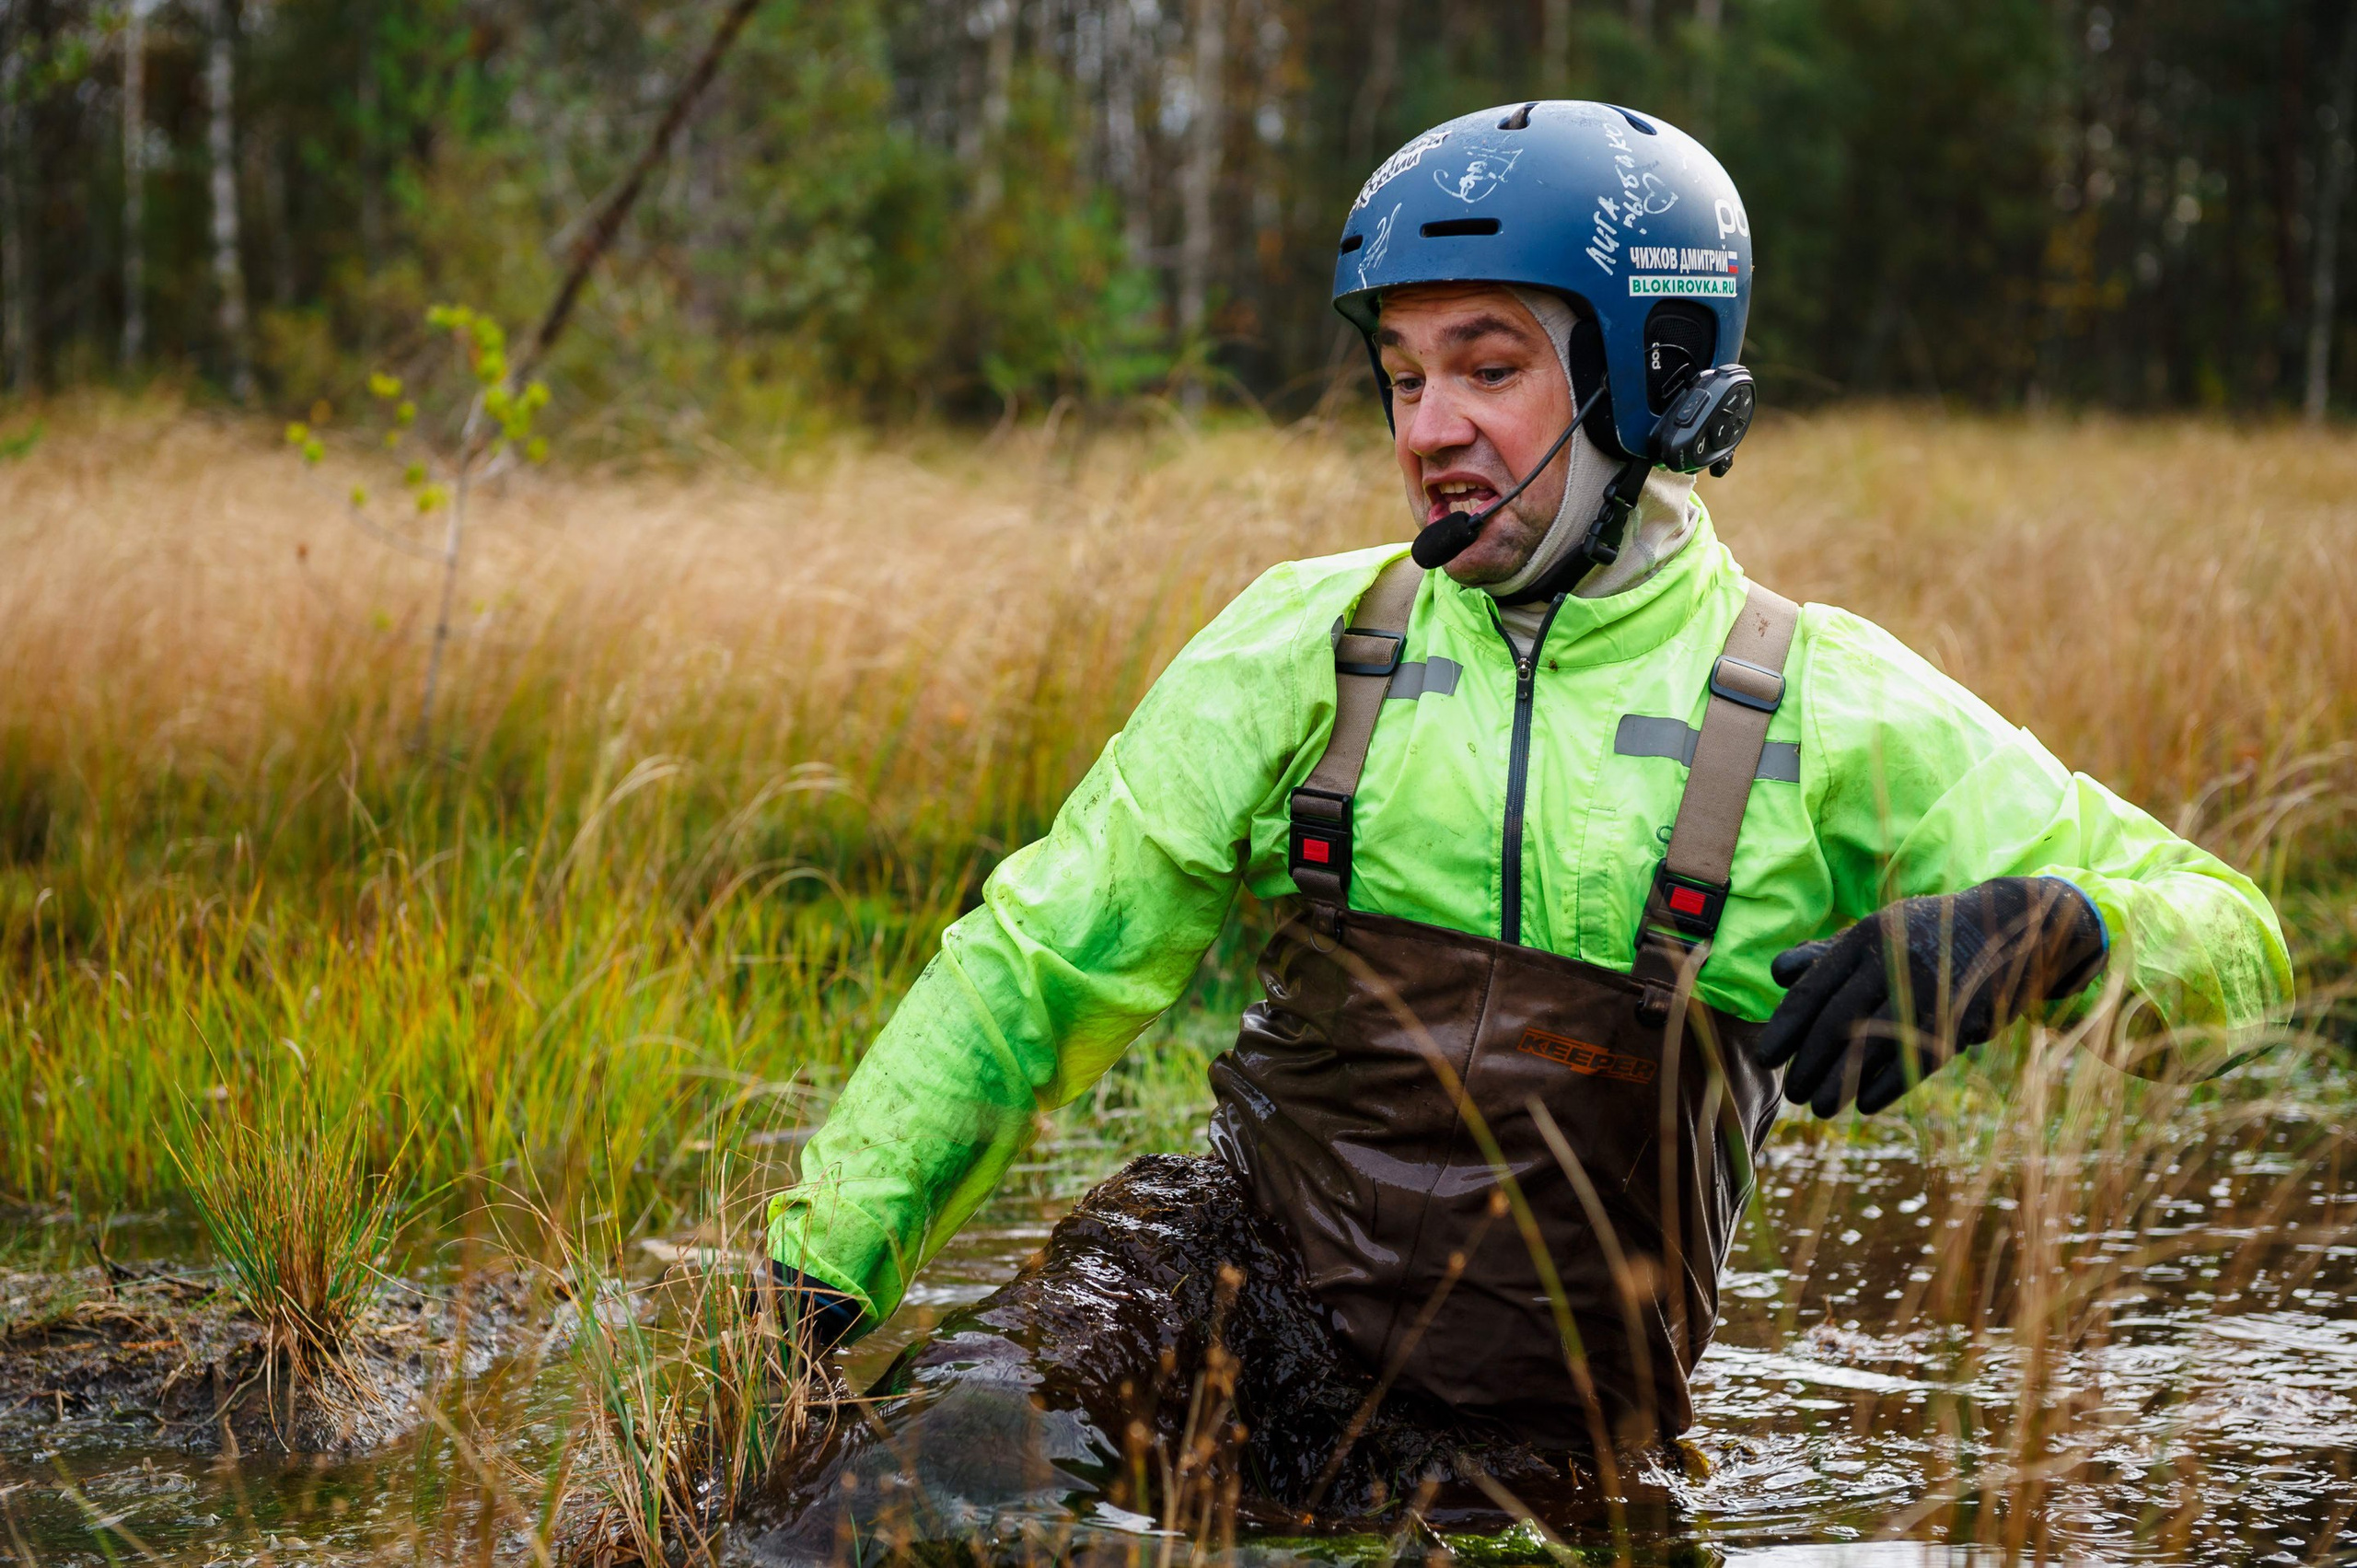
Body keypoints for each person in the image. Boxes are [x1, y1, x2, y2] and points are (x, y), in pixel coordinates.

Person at [746, 101, 2290, 1546]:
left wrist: (2059, 928)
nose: (1429, 429)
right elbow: (1033, 966)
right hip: (1209, 1289)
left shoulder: (1830, 709)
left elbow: (2241, 951)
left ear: (1653, 376)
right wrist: (815, 1275)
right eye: (1404, 377)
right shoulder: (1303, 641)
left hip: (1532, 1441)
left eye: (1488, 369)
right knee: (885, 1505)